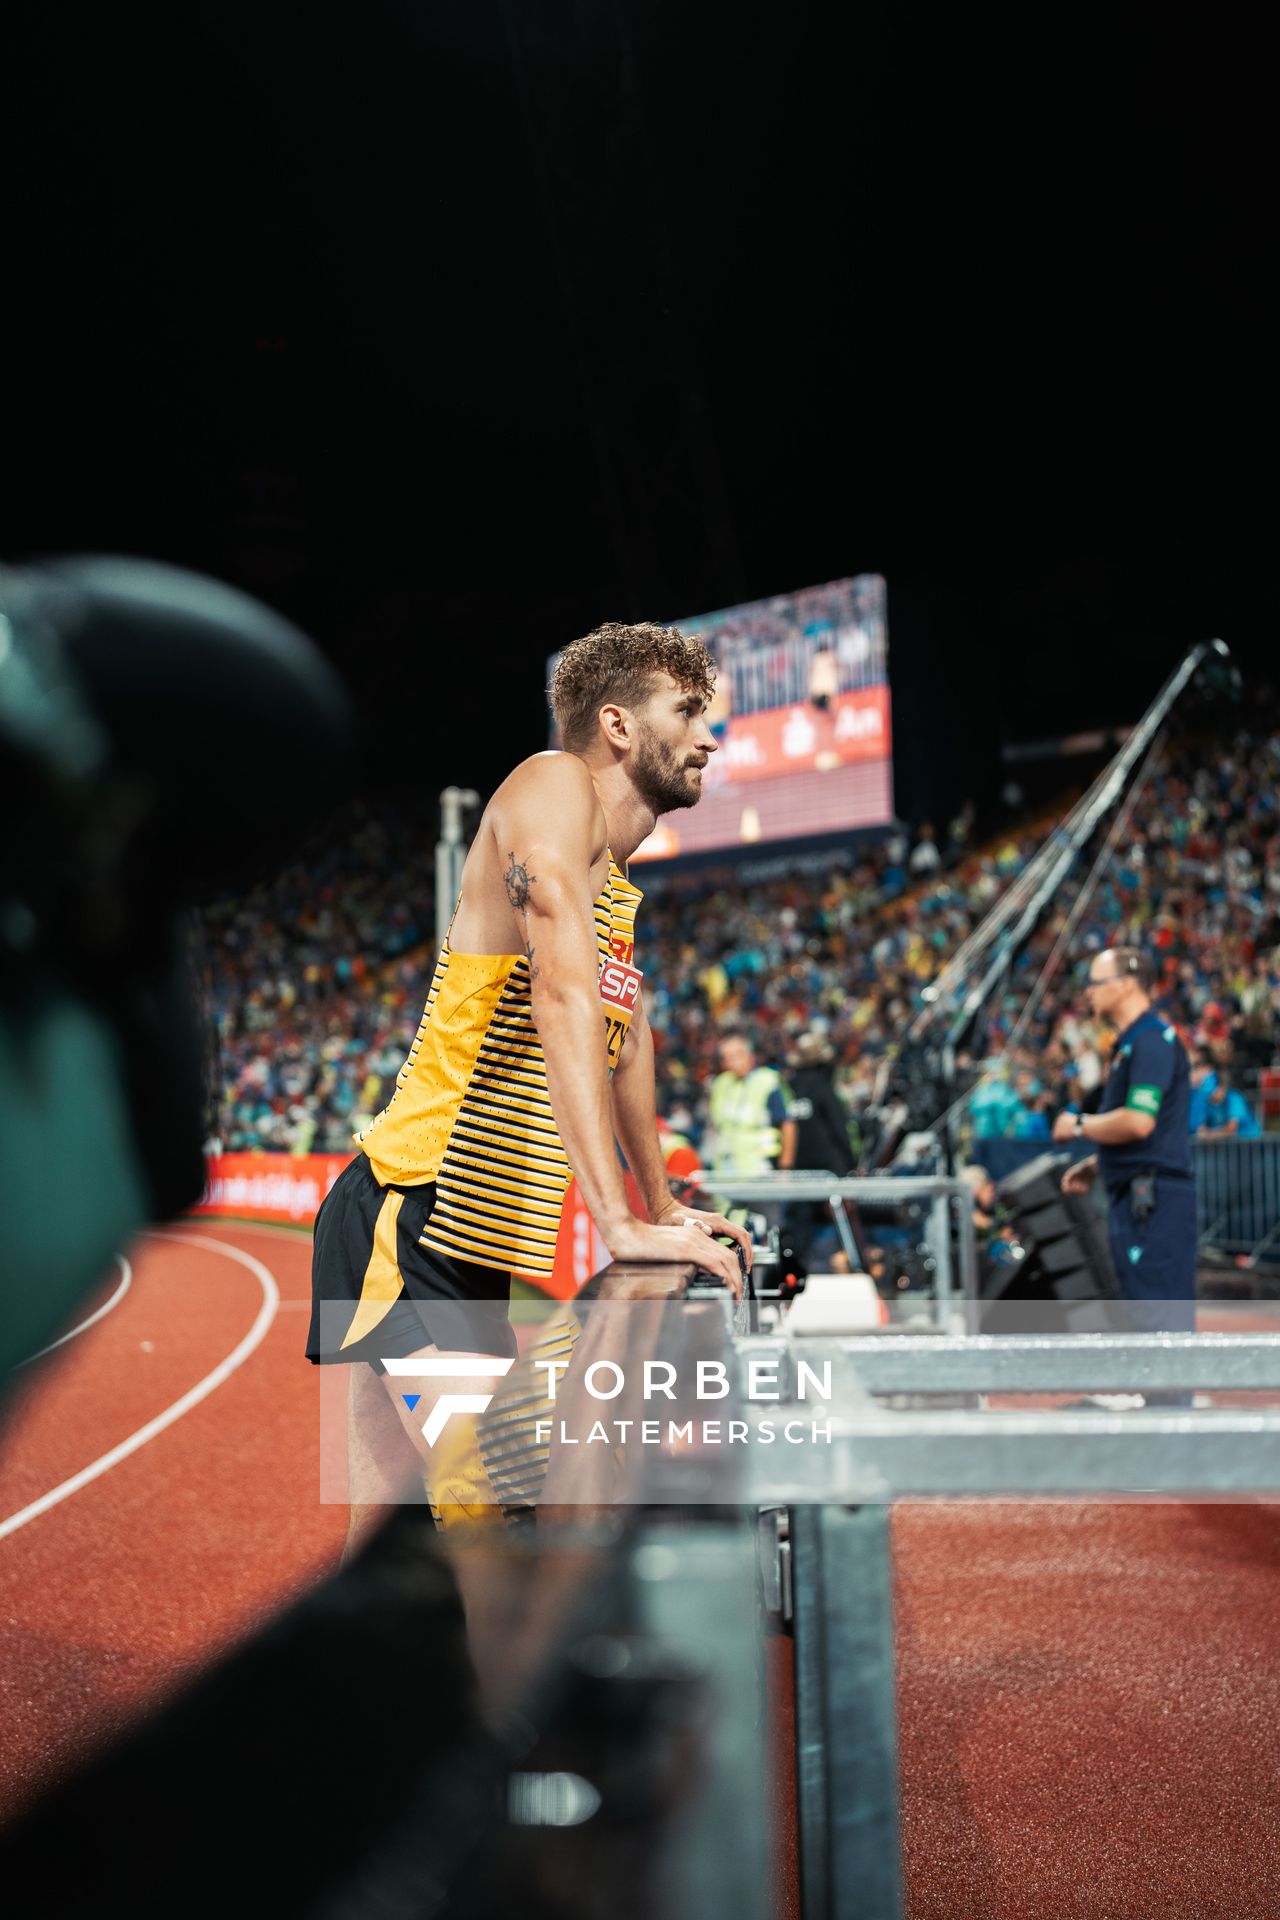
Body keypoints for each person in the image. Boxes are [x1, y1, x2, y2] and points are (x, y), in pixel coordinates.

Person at [306, 620, 750, 1549]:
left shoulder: (617, 883)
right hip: (414, 1210)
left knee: (396, 1519)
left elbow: (626, 1040)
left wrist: (660, 1204)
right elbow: (560, 978)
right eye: (691, 711)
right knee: (492, 1505)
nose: (712, 735)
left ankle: (374, 1687)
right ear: (619, 725)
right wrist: (614, 1219)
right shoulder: (554, 784)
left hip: (469, 1234)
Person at [1052, 946, 1196, 1408]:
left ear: (1127, 982)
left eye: (1096, 981)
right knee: (1144, 1310)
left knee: (1157, 1316)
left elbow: (1139, 1122)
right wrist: (1099, 1163)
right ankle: (1161, 1427)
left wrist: (1077, 1125)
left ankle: (1169, 1439)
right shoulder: (1134, 1041)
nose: (1089, 992)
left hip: (1152, 1199)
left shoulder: (1151, 1039)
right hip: (1139, 1191)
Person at [706, 1032, 796, 1177]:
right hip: (726, 1168)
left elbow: (787, 1124)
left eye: (737, 1055)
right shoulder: (720, 1084)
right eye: (726, 1057)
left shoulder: (767, 1081)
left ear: (750, 1055)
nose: (731, 1061)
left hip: (761, 1168)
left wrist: (785, 1168)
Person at [1196, 1066, 1262, 1139]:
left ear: (1221, 1087)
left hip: (1250, 1143)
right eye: (1207, 1094)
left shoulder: (1234, 1098)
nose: (1210, 1097)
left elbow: (1231, 1129)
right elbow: (1201, 1127)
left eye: (1212, 1093)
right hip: (1228, 1146)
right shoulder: (1207, 1101)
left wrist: (1210, 1134)